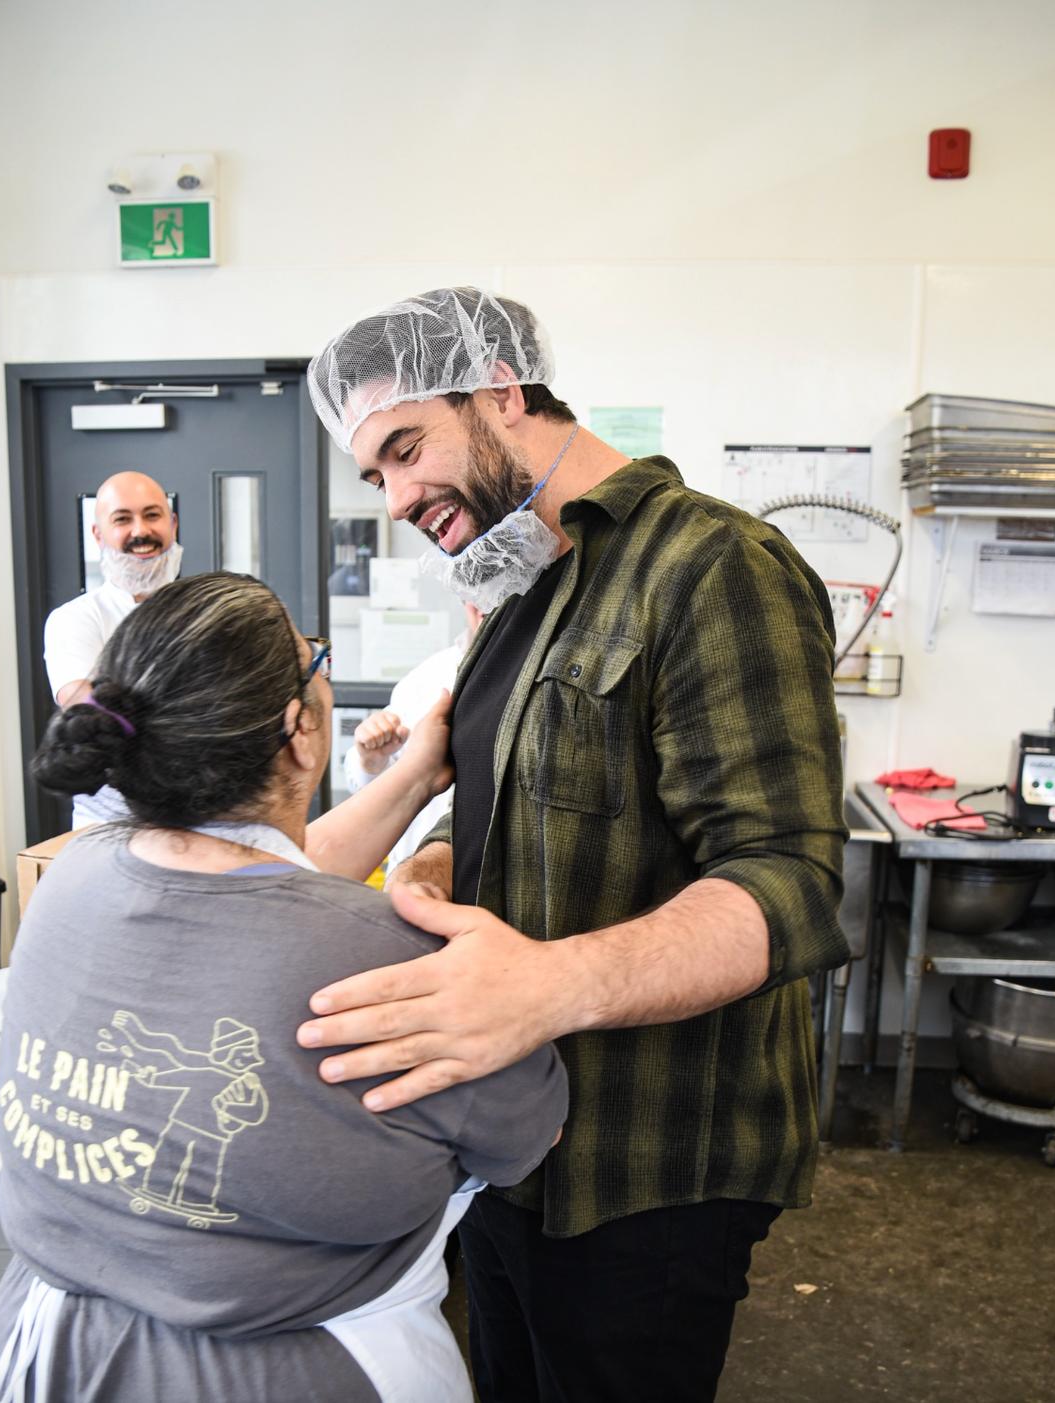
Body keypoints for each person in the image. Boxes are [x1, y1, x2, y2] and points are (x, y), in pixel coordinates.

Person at [301, 287, 850, 1402]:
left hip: (648, 1166)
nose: (399, 497)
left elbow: (786, 880)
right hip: (513, 1140)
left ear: (501, 390)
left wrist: (549, 982)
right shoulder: (520, 590)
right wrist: (440, 862)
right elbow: (520, 799)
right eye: (376, 476)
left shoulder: (713, 566)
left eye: (407, 450)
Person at [0, 571, 567, 1403]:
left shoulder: (71, 878)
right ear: (302, 731)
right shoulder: (391, 960)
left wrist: (409, 777)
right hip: (297, 1373)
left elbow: (254, 875)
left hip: (49, 1354)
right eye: (315, 659)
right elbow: (527, 1132)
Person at [42, 470, 181, 827]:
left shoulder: (203, 609)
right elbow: (85, 708)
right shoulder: (75, 619)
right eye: (122, 519)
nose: (140, 531)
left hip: (201, 819)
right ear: (98, 534)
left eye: (152, 515)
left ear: (173, 523)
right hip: (113, 828)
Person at [343, 602, 483, 870]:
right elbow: (368, 783)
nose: (484, 601)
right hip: (412, 879)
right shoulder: (426, 678)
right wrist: (370, 761)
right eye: (475, 590)